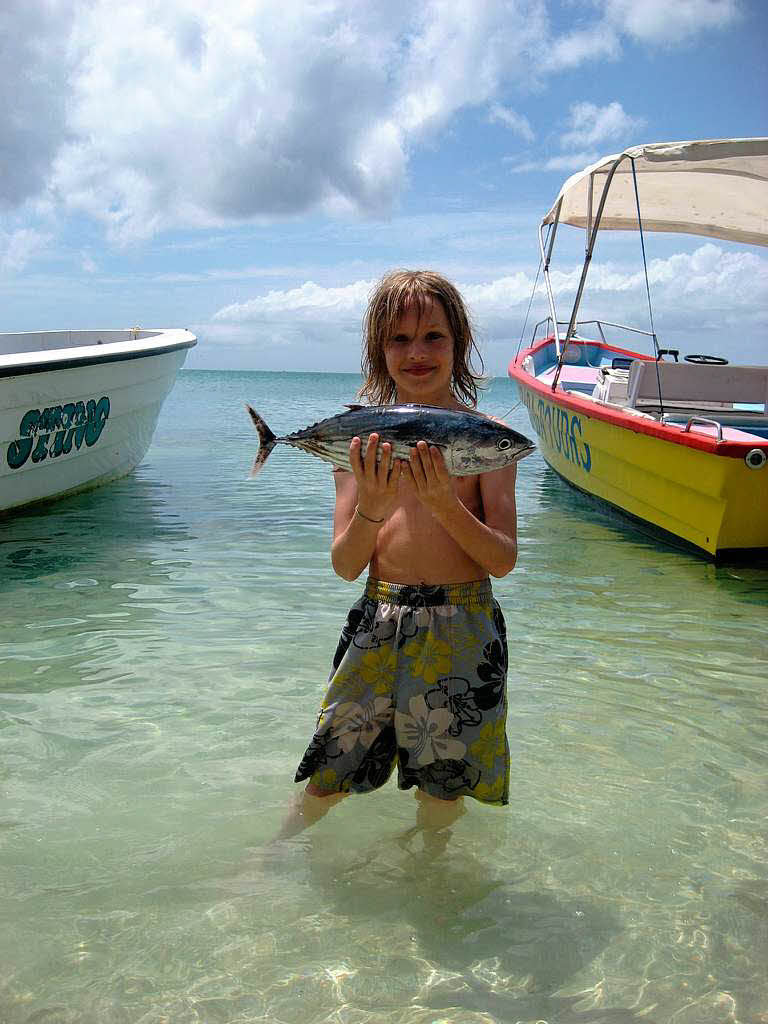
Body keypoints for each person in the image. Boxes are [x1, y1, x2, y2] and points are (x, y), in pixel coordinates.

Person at [277, 269, 518, 840]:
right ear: (377, 350)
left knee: (445, 783)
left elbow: (503, 559)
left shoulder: (486, 438)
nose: (417, 352)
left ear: (458, 343)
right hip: (378, 620)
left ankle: (429, 888)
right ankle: (271, 862)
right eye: (398, 339)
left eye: (433, 336)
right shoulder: (358, 441)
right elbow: (345, 565)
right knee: (330, 769)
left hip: (464, 624)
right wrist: (374, 505)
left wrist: (443, 502)